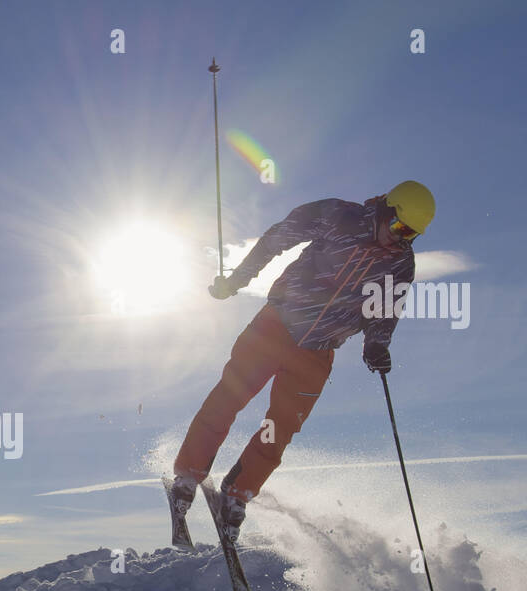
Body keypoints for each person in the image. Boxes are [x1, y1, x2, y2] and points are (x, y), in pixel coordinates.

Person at [169, 180, 435, 543]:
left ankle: (237, 493)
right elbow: (278, 238)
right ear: (388, 210)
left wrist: (377, 345)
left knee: (280, 427)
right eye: (400, 228)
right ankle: (188, 475)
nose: (401, 239)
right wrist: (238, 279)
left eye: (412, 235)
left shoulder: (401, 261)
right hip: (276, 325)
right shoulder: (338, 215)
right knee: (229, 399)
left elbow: (386, 308)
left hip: (319, 349)